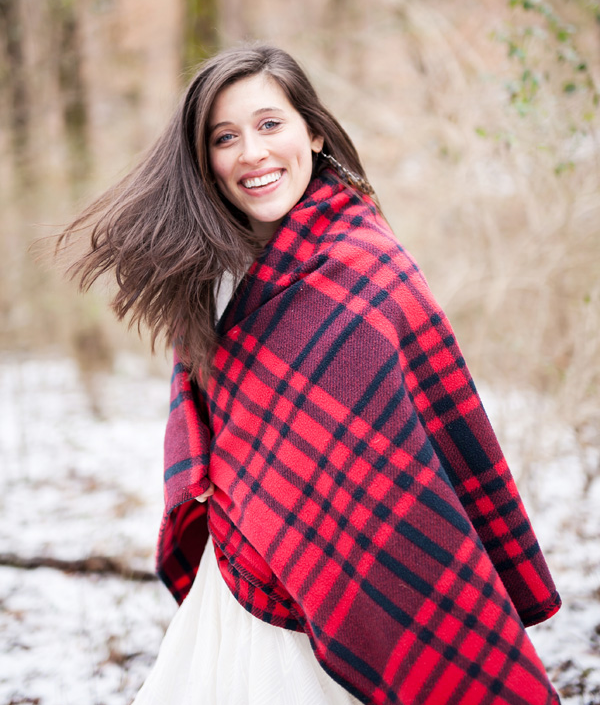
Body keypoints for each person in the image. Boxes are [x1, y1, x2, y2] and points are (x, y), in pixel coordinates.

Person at [59, 44, 562, 705]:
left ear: (313, 131)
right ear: (204, 159)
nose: (253, 153)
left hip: (368, 568)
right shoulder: (211, 275)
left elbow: (420, 446)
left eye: (271, 124)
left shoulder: (369, 264)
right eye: (225, 137)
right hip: (248, 578)